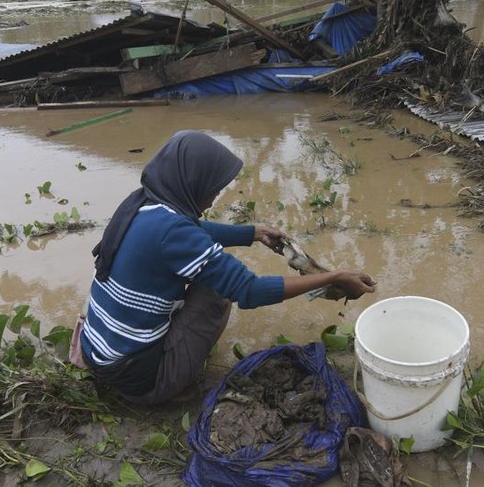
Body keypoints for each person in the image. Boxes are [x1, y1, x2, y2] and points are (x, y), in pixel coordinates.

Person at [69, 130, 377, 405]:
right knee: (217, 290)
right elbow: (249, 290)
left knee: (205, 273)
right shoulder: (174, 233)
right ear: (192, 182)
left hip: (100, 354)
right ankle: (175, 384)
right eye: (213, 188)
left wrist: (253, 233)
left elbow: (190, 230)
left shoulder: (143, 204)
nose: (216, 195)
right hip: (139, 382)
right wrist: (332, 277)